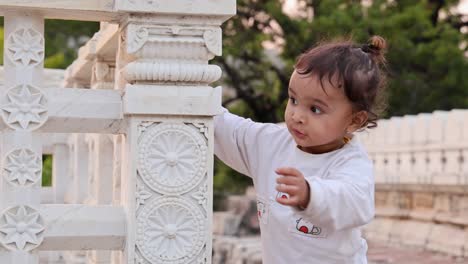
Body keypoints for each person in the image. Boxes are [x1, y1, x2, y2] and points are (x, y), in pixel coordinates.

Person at [214, 36, 388, 263]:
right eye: (293, 100)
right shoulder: (271, 144)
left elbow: (354, 202)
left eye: (315, 109)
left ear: (355, 121)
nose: (297, 116)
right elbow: (229, 131)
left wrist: (310, 193)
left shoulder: (350, 162)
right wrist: (193, 101)